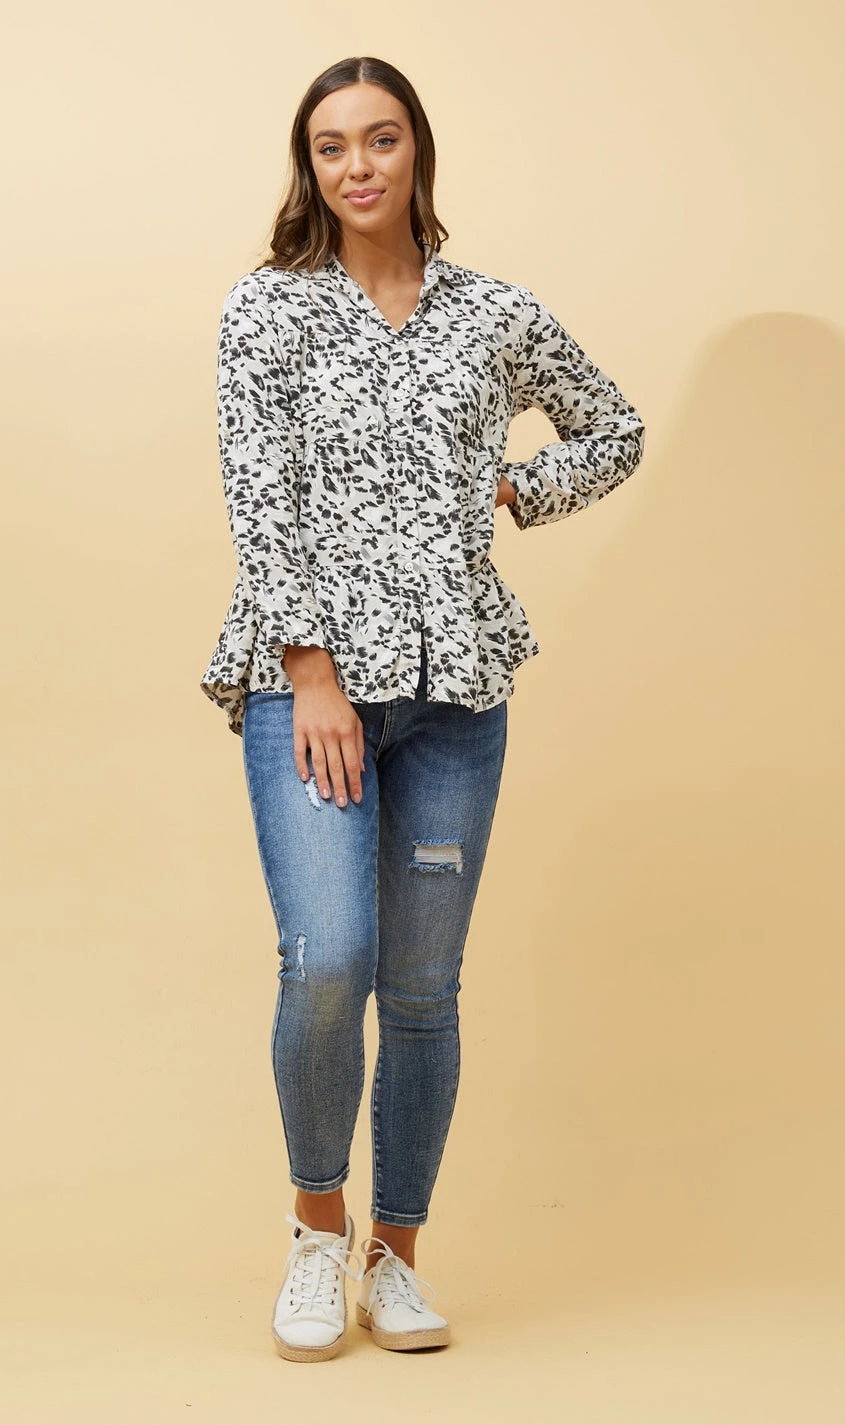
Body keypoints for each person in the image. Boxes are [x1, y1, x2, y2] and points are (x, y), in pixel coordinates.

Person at [200, 55, 645, 1362]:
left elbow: (612, 429)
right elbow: (259, 501)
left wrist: (516, 491)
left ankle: (395, 1255)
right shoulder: (268, 310)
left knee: (423, 987)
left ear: (417, 152)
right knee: (327, 959)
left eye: (381, 139)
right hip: (314, 691)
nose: (358, 166)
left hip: (456, 694)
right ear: (309, 166)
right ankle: (316, 1229)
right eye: (331, 145)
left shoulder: (491, 312)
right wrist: (312, 677)